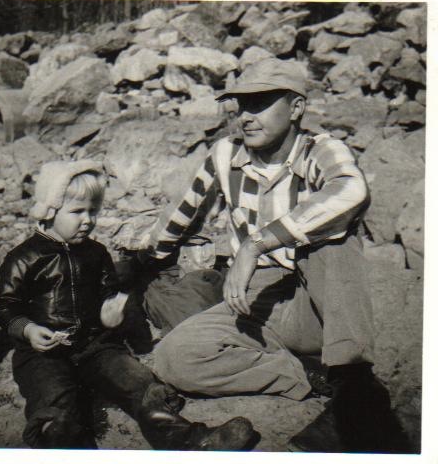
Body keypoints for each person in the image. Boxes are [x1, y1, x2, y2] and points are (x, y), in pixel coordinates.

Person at [137, 58, 408, 452]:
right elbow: (183, 215)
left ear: (296, 108)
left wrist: (256, 242)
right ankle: (309, 376)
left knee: (332, 238)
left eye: (260, 103)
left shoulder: (320, 151)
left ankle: (354, 387)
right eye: (240, 106)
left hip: (317, 300)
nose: (245, 116)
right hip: (259, 301)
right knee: (173, 359)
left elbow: (351, 191)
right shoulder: (225, 154)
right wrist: (145, 263)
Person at [0, 159, 256, 451]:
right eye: (77, 212)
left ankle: (192, 441)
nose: (88, 220)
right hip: (42, 353)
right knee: (54, 402)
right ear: (49, 211)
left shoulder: (96, 253)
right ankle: (63, 444)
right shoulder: (25, 257)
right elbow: (6, 306)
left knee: (141, 385)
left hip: (96, 346)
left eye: (93, 211)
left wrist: (109, 312)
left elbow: (109, 291)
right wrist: (28, 330)